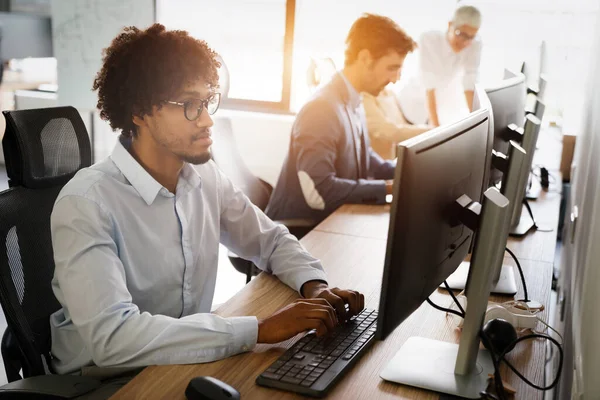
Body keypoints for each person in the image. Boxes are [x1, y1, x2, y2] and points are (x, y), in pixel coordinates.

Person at [49, 24, 364, 383]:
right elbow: (113, 339)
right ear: (139, 112)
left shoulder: (204, 178)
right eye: (189, 105)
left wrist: (316, 288)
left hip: (184, 360)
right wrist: (259, 328)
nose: (207, 119)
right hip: (101, 382)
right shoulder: (87, 203)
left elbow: (269, 240)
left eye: (208, 100)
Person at [266, 14, 417, 224]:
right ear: (365, 58)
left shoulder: (353, 100)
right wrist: (389, 187)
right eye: (392, 67)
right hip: (298, 233)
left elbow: (366, 161)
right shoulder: (321, 110)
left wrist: (412, 173)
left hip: (332, 222)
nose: (395, 78)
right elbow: (320, 192)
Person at [397, 5, 483, 127]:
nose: (465, 42)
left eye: (471, 37)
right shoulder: (429, 40)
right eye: (461, 34)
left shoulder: (474, 44)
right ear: (449, 25)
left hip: (440, 108)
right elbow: (430, 87)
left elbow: (470, 83)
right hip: (412, 106)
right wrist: (436, 128)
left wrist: (479, 123)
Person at [362, 87, 432, 160]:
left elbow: (402, 125)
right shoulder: (364, 98)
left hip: (396, 159)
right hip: (381, 164)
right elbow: (390, 132)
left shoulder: (390, 93)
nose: (397, 79)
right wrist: (430, 131)